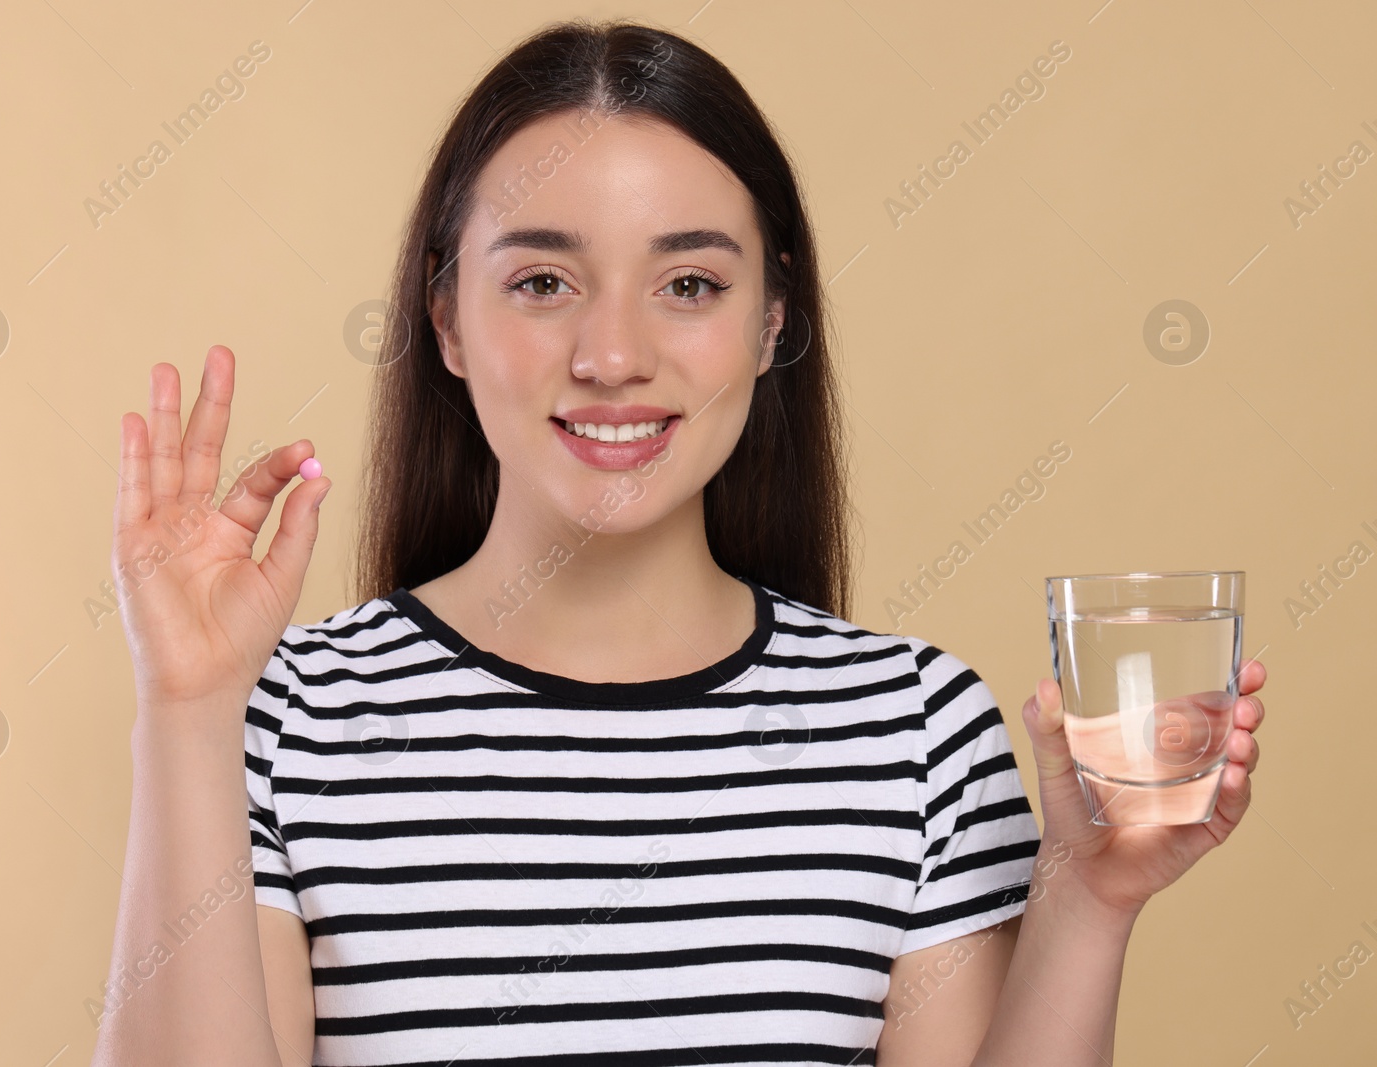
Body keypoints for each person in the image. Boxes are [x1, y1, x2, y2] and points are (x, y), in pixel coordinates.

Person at [93, 17, 1267, 1067]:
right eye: (544, 279)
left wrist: (1086, 902)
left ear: (771, 322)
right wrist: (190, 707)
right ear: (447, 319)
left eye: (689, 284)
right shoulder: (287, 720)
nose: (614, 354)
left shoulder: (915, 733)